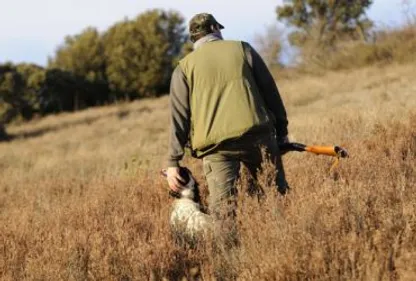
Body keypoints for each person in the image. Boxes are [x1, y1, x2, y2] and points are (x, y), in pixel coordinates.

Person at [166, 13, 289, 238]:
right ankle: (282, 244)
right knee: (276, 198)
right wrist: (282, 133)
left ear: (194, 37)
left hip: (216, 150)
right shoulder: (243, 49)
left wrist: (173, 162)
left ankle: (228, 262)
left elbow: (179, 119)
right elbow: (271, 94)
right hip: (258, 138)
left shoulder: (183, 68)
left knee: (223, 214)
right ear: (216, 30)